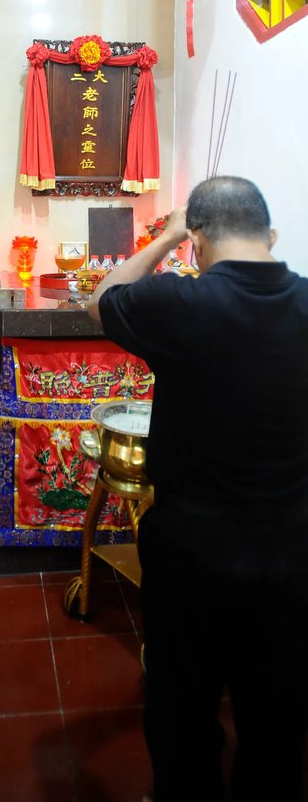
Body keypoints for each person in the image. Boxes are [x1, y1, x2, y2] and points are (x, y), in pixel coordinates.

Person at [87, 176, 308, 802]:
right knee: (277, 721)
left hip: (193, 552)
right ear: (271, 235)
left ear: (200, 244)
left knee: (183, 715)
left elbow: (103, 295)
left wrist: (170, 232)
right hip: (291, 553)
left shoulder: (179, 305)